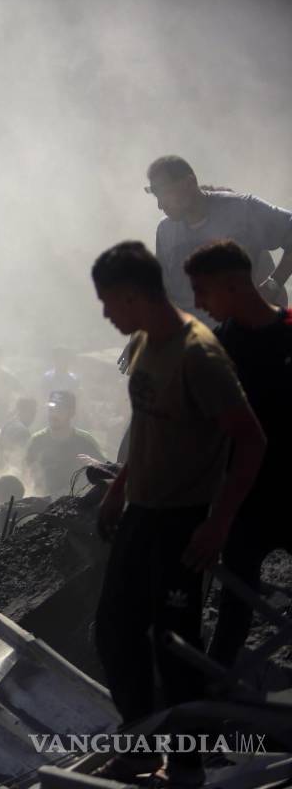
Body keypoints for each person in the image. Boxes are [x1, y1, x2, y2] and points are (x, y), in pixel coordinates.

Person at [90, 241, 265, 785]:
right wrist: (118, 489)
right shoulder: (146, 342)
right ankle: (142, 742)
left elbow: (251, 442)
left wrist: (218, 523)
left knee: (175, 645)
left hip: (183, 519)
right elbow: (145, 426)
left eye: (108, 303)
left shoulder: (200, 355)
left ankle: (186, 764)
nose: (105, 314)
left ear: (133, 296)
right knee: (114, 631)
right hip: (142, 510)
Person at [182, 241, 292, 668]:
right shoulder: (215, 350)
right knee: (233, 614)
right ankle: (213, 706)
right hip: (245, 502)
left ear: (233, 285)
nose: (197, 303)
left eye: (202, 290)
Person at [146, 155, 292, 314]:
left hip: (244, 332)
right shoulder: (165, 232)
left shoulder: (241, 210)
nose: (160, 205)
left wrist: (273, 285)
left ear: (189, 183)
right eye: (156, 196)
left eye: (165, 194)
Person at [24, 391, 105, 497]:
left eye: (60, 410)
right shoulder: (36, 441)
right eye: (51, 409)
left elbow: (104, 471)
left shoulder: (85, 441)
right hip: (42, 503)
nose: (54, 414)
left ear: (71, 413)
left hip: (75, 504)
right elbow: (25, 473)